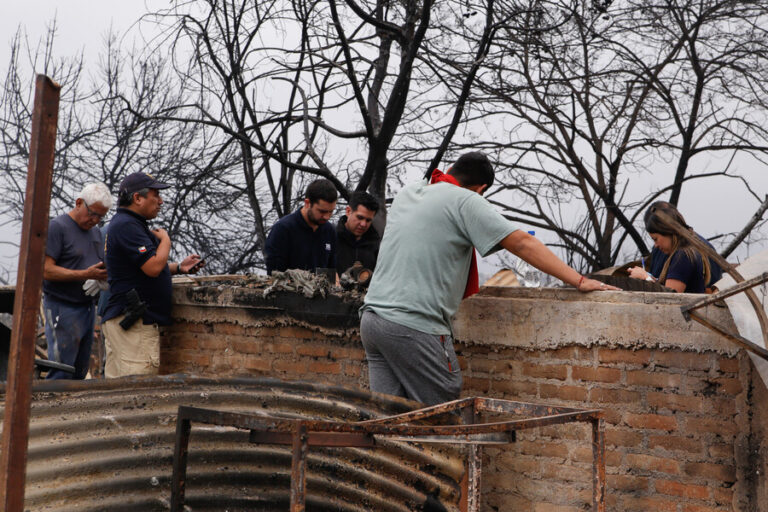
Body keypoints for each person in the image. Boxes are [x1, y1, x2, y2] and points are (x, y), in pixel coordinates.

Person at [360, 152, 617, 405]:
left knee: (389, 415)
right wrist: (579, 281)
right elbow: (522, 242)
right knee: (440, 407)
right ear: (480, 188)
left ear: (452, 171)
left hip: (372, 320)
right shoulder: (465, 200)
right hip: (412, 325)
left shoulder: (410, 192)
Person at [101, 172, 203, 378]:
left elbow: (141, 267)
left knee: (115, 392)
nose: (161, 201)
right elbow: (153, 267)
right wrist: (166, 240)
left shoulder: (129, 224)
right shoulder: (127, 225)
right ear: (138, 198)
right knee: (138, 388)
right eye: (155, 195)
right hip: (134, 323)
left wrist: (178, 268)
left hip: (127, 321)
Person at [42, 182, 112, 379]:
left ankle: (71, 409)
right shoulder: (58, 227)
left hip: (87, 307)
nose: (95, 220)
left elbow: (98, 264)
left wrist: (101, 279)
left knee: (80, 370)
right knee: (62, 368)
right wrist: (84, 275)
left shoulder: (95, 232)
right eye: (93, 213)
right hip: (61, 306)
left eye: (101, 216)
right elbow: (46, 270)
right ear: (79, 203)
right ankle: (52, 408)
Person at [637, 201, 722, 293]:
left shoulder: (683, 256)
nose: (656, 245)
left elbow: (670, 297)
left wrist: (645, 277)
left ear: (667, 231)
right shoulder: (684, 253)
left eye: (656, 239)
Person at [264, 179, 338, 275]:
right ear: (307, 203)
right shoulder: (283, 229)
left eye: (331, 211)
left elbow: (331, 271)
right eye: (322, 211)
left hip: (321, 289)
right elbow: (274, 274)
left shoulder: (329, 231)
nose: (327, 217)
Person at [335, 191, 381, 275]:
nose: (363, 224)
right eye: (360, 217)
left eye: (368, 220)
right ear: (348, 211)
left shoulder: (377, 245)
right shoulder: (331, 238)